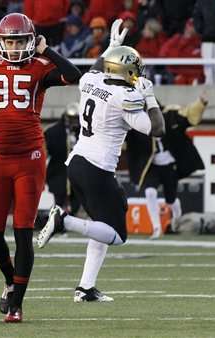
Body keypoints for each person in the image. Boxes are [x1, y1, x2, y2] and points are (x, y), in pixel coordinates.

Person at [0, 13, 81, 322]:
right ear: (0, 41)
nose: (15, 46)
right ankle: (10, 280)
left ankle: (17, 303)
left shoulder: (39, 66)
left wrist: (47, 51)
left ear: (31, 41)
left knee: (22, 232)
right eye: (10, 41)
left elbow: (74, 75)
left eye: (21, 41)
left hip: (29, 159)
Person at [37, 20, 165, 303]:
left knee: (103, 223)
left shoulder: (91, 81)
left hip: (78, 163)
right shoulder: (125, 96)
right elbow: (157, 129)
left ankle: (85, 288)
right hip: (98, 168)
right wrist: (150, 97)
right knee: (117, 235)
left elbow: (96, 68)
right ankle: (64, 222)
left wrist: (112, 47)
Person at [126, 92, 208, 238]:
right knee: (150, 192)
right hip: (151, 165)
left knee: (172, 200)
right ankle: (156, 227)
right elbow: (122, 138)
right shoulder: (135, 124)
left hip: (169, 164)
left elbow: (186, 115)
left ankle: (176, 221)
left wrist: (200, 103)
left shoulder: (169, 116)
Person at [44, 102, 81, 215]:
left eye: (75, 118)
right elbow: (47, 151)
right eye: (71, 118)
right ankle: (58, 222)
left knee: (77, 202)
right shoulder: (53, 132)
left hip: (77, 173)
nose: (72, 121)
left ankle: (71, 220)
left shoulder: (84, 133)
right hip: (58, 171)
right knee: (59, 202)